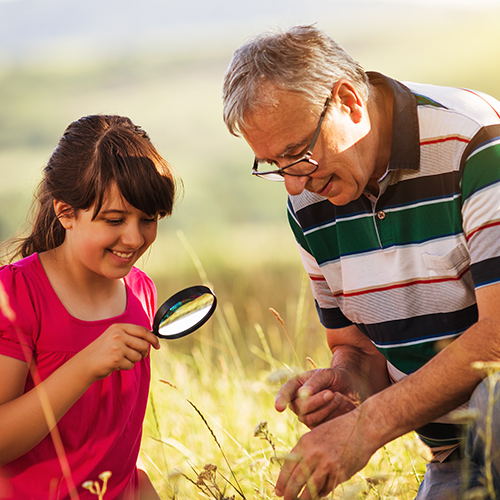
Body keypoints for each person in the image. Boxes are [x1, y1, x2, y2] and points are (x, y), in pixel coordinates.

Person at [222, 24, 500, 499]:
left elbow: (497, 339)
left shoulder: (477, 142)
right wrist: (346, 388)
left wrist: (367, 428)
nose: (293, 186)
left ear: (348, 101)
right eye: (274, 165)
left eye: (297, 154)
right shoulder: (308, 201)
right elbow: (360, 349)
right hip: (456, 456)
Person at [0, 115, 179, 499]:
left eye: (148, 219)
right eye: (114, 220)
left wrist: (137, 483)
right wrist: (84, 365)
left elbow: (114, 441)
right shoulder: (15, 295)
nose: (134, 238)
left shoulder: (141, 293)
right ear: (67, 213)